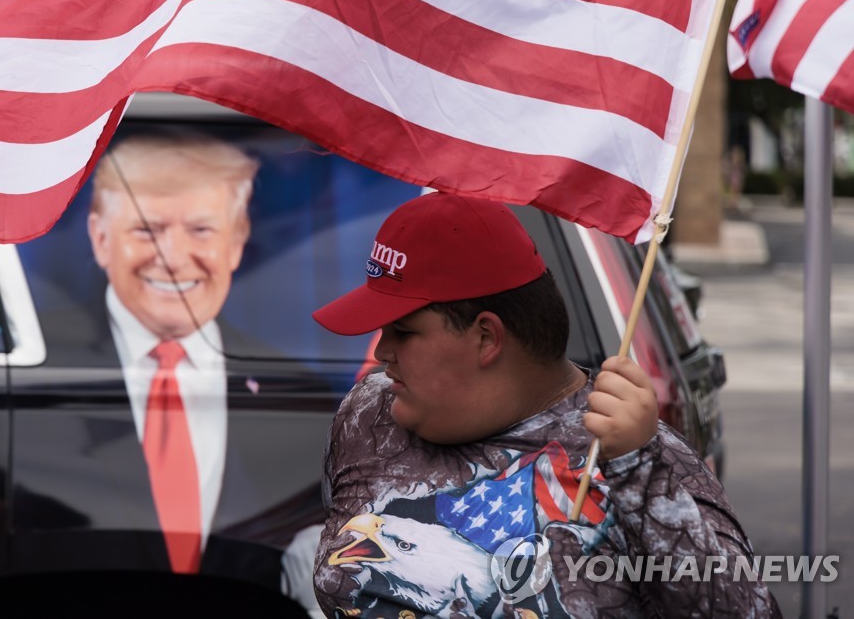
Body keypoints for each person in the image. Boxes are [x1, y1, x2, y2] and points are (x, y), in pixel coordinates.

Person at [311, 192, 781, 618]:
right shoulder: (369, 414)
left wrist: (642, 475)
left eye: (404, 332)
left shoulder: (630, 456)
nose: (381, 351)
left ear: (486, 337)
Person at [87, 130, 267, 577]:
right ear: (101, 239)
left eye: (201, 229)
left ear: (236, 242)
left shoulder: (293, 386)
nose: (172, 257)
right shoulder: (24, 371)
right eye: (147, 230)